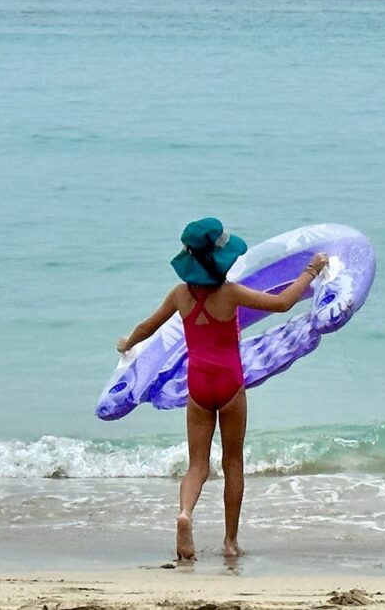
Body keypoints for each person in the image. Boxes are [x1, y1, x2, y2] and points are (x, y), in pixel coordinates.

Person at [116, 217, 328, 560]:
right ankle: (230, 543)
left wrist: (128, 344)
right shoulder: (230, 294)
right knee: (233, 463)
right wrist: (311, 271)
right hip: (230, 384)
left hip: (197, 386)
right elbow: (282, 303)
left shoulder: (180, 296)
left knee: (197, 465)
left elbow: (147, 327)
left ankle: (185, 514)